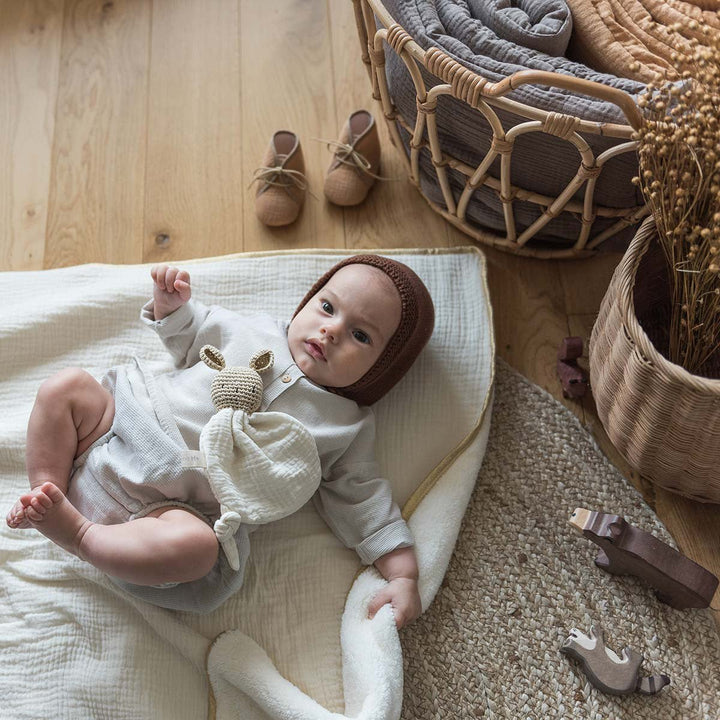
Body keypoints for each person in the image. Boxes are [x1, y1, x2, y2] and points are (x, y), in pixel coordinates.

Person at [6, 256, 434, 626]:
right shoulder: (248, 329)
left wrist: (403, 575)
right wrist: (171, 306)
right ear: (308, 300)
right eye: (326, 307)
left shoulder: (345, 426)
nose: (331, 331)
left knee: (198, 549)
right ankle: (48, 490)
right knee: (67, 388)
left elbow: (364, 501)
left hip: (171, 512)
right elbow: (190, 334)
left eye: (361, 335)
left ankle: (79, 535)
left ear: (382, 369)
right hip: (116, 429)